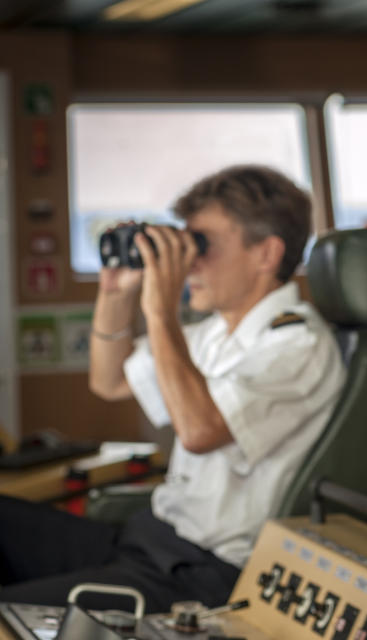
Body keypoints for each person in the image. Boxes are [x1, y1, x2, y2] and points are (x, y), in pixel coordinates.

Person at [0, 165, 345, 613]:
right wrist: (117, 292)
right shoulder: (214, 333)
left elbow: (199, 432)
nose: (189, 263)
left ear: (266, 254)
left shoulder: (300, 346)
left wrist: (161, 309)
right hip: (148, 538)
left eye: (202, 246)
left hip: (202, 574)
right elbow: (110, 381)